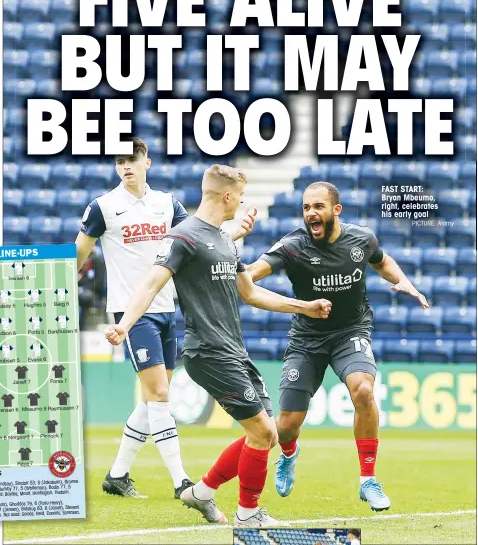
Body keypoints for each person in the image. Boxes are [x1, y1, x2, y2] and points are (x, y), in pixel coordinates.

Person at [105, 165, 332, 527]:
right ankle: (248, 514)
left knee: (268, 435)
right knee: (261, 433)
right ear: (227, 196)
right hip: (207, 351)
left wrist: (305, 306)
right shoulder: (183, 237)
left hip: (234, 351)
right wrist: (124, 325)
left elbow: (251, 293)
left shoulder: (226, 239)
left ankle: (202, 492)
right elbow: (150, 284)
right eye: (240, 196)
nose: (242, 202)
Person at [75, 139, 256, 499]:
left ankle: (116, 476)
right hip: (133, 311)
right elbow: (78, 254)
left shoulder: (166, 204)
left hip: (168, 309)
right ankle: (181, 482)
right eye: (120, 161)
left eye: (133, 159)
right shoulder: (103, 207)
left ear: (147, 162)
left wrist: (236, 232)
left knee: (151, 398)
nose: (126, 166)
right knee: (159, 395)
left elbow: (199, 240)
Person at [247, 181, 430, 512]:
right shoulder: (292, 246)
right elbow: (249, 277)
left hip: (351, 331)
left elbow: (382, 260)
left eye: (318, 206)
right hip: (306, 338)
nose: (311, 214)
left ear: (336, 210)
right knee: (286, 426)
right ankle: (289, 454)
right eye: (306, 208)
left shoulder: (361, 239)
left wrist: (403, 281)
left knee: (363, 391)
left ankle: (368, 480)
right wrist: (229, 256)